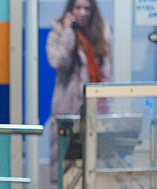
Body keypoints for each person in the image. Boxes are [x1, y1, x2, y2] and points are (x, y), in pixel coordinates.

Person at [47, 0, 111, 177]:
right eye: (78, 8)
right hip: (69, 112)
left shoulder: (100, 35)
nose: (82, 12)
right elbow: (60, 63)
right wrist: (68, 32)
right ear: (70, 10)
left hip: (95, 112)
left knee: (96, 172)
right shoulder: (58, 33)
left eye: (87, 8)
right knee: (69, 174)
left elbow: (106, 75)